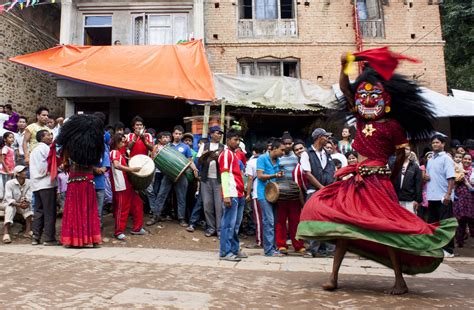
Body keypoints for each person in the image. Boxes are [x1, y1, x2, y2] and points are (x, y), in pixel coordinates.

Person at [297, 51, 455, 295]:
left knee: (387, 229)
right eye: (364, 94)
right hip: (356, 182)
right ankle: (334, 277)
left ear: (387, 99)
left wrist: (389, 175)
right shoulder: (360, 118)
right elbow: (346, 89)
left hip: (379, 183)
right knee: (342, 228)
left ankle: (399, 280)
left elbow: (401, 154)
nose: (368, 99)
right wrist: (344, 66)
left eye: (374, 95)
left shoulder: (393, 126)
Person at [57, 115, 104, 248]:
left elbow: (64, 164)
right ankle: (89, 239)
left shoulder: (69, 149)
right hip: (88, 181)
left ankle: (75, 239)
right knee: (88, 209)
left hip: (74, 180)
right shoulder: (93, 149)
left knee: (74, 210)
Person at [148, 125, 198, 227]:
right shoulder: (167, 147)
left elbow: (190, 160)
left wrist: (194, 169)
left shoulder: (186, 147)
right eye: (176, 133)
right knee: (161, 194)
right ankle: (155, 216)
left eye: (180, 134)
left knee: (181, 197)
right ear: (173, 134)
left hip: (181, 175)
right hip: (168, 175)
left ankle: (181, 218)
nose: (178, 135)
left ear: (182, 135)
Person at [300, 128, 336, 258]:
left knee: (327, 220)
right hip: (315, 191)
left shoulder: (326, 153)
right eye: (325, 137)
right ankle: (311, 249)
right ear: (319, 138)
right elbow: (308, 174)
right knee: (313, 220)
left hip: (327, 191)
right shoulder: (306, 154)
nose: (327, 139)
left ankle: (325, 249)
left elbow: (332, 171)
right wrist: (321, 187)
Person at [425, 134, 456, 257]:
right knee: (433, 223)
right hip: (432, 196)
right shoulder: (430, 159)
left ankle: (448, 250)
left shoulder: (446, 158)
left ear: (443, 144)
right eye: (433, 143)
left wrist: (448, 194)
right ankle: (436, 247)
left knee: (445, 224)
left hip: (443, 197)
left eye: (437, 142)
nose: (435, 145)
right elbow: (429, 176)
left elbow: (451, 178)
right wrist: (425, 177)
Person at [218, 128, 247, 261]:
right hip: (232, 193)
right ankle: (225, 252)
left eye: (239, 140)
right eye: (235, 140)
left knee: (235, 224)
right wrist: (226, 194)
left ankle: (234, 249)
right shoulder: (226, 154)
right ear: (228, 140)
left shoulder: (234, 154)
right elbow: (224, 174)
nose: (237, 142)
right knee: (228, 224)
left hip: (238, 193)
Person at [109, 133, 145, 240]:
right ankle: (118, 231)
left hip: (126, 184)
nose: (124, 143)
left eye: (124, 141)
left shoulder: (119, 153)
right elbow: (116, 165)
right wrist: (132, 169)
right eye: (122, 141)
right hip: (120, 185)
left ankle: (137, 228)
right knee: (122, 208)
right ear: (116, 142)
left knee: (137, 203)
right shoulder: (115, 152)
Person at [275, 132, 305, 255]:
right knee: (281, 220)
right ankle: (281, 244)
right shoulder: (278, 157)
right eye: (285, 143)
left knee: (295, 220)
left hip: (294, 193)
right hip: (281, 192)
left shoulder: (298, 157)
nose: (287, 146)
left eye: (289, 143)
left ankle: (298, 245)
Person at [256, 139, 286, 257]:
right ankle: (269, 251)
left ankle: (273, 248)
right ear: (274, 149)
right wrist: (274, 175)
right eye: (282, 150)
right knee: (269, 222)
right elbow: (260, 176)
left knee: (273, 222)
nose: (283, 152)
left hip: (274, 194)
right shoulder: (262, 158)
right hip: (263, 194)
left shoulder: (277, 161)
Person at [30, 130, 57, 246]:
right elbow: (47, 166)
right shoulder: (46, 149)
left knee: (38, 211)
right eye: (48, 135)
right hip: (46, 184)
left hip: (36, 184)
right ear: (41, 137)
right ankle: (49, 238)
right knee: (49, 211)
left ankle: (36, 237)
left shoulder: (34, 150)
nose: (51, 137)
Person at [197, 126, 225, 237]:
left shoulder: (224, 147)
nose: (219, 135)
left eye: (220, 134)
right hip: (206, 179)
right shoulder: (204, 146)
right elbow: (199, 160)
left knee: (219, 206)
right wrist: (207, 155)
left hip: (219, 180)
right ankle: (211, 227)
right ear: (211, 134)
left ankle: (219, 230)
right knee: (207, 205)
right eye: (217, 133)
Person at [3, 165, 33, 243]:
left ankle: (28, 231)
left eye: (25, 170)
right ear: (18, 174)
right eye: (22, 171)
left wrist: (26, 202)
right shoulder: (9, 183)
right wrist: (18, 204)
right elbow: (8, 198)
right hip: (11, 203)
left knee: (28, 207)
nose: (25, 172)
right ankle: (6, 234)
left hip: (22, 204)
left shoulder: (29, 182)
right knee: (10, 208)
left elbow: (29, 195)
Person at [245, 141, 266, 248]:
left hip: (257, 193)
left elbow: (249, 179)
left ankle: (259, 241)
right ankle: (269, 240)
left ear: (254, 151)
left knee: (258, 218)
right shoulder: (268, 160)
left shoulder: (251, 163)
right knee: (268, 218)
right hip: (270, 193)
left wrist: (248, 194)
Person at [147, 131, 171, 223]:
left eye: (167, 137)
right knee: (156, 192)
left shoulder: (170, 148)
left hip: (167, 173)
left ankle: (158, 215)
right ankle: (158, 213)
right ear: (159, 139)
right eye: (163, 137)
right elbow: (153, 159)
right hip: (157, 172)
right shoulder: (155, 147)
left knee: (163, 194)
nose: (165, 139)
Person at [394, 145, 422, 214]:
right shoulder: (394, 165)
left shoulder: (415, 166)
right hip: (396, 199)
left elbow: (418, 184)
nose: (404, 151)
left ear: (410, 152)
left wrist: (417, 200)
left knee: (411, 222)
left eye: (407, 149)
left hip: (410, 200)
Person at [453, 153, 473, 248]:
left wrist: (467, 183)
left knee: (472, 221)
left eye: (469, 159)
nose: (467, 161)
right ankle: (459, 242)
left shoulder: (473, 171)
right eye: (465, 159)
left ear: (471, 161)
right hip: (459, 199)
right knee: (460, 221)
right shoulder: (456, 170)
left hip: (471, 200)